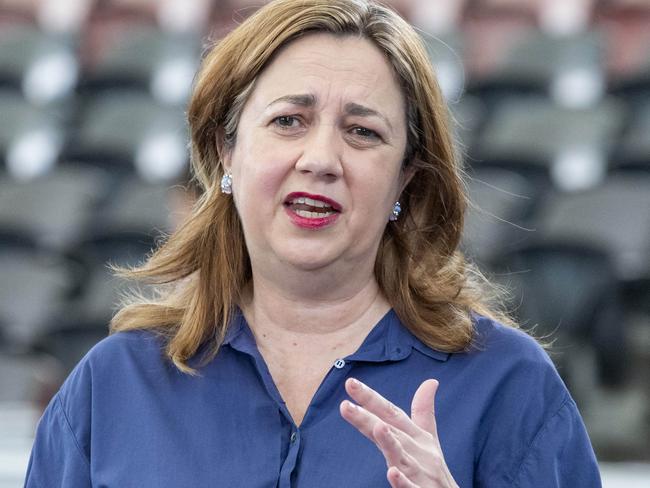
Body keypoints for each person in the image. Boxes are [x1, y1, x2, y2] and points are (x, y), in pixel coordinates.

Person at [24, 0, 602, 486]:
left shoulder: (508, 384)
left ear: (406, 176)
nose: (321, 159)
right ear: (226, 151)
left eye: (363, 131)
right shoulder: (114, 386)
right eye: (289, 121)